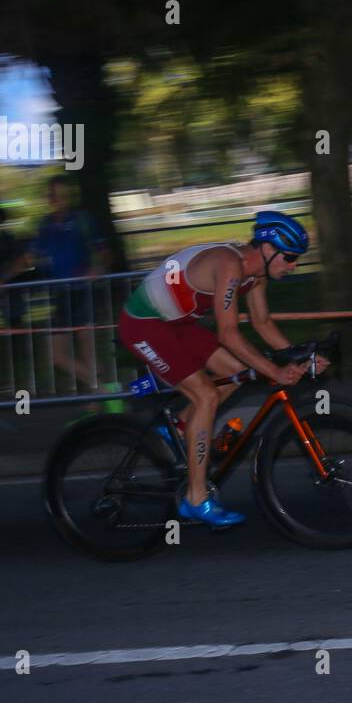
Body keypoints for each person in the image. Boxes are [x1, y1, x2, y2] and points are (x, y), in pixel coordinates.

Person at [118, 211, 323, 526]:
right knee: (206, 396)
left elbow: (262, 323)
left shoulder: (257, 274)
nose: (294, 265)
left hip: (177, 324)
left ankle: (179, 428)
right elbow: (228, 333)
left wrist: (299, 358)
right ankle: (195, 499)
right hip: (143, 325)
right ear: (268, 250)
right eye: (291, 257)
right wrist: (275, 371)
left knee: (237, 373)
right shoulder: (230, 265)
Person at [32, 175, 106, 396]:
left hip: (83, 293)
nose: (56, 199)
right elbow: (31, 256)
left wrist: (97, 268)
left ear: (69, 196)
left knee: (87, 353)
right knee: (57, 356)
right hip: (60, 296)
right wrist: (2, 277)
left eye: (61, 194)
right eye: (52, 195)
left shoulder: (83, 220)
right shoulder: (45, 225)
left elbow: (104, 253)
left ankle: (96, 403)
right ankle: (105, 390)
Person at [0, 203, 32, 329]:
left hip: (9, 288)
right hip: (4, 289)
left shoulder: (5, 240)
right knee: (11, 324)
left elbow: (18, 263)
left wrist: (2, 279)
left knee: (15, 324)